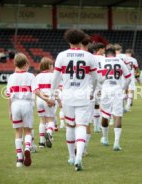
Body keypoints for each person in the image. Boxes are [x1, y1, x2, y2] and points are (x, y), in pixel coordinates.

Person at [51, 29, 98, 171]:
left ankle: (71, 156)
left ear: (68, 40)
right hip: (83, 95)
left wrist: (54, 93)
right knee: (81, 126)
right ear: (81, 39)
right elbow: (96, 78)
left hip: (67, 96)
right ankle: (79, 157)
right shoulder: (89, 56)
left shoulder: (61, 55)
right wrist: (92, 91)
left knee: (70, 126)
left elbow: (55, 78)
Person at [6, 53, 55, 167]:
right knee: (28, 130)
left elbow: (9, 96)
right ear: (26, 64)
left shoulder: (11, 77)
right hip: (27, 104)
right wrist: (47, 99)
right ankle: (28, 147)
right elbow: (37, 91)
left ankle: (19, 160)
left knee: (18, 132)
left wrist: (9, 111)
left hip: (15, 105)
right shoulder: (30, 76)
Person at [98, 48, 131, 151]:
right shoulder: (119, 61)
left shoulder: (102, 61)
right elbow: (128, 77)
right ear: (114, 55)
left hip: (106, 89)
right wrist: (123, 88)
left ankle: (105, 138)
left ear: (106, 55)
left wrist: (100, 87)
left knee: (105, 114)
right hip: (117, 89)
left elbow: (97, 78)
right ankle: (116, 143)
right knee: (118, 116)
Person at [35, 57, 60, 148]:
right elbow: (56, 90)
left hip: (39, 100)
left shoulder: (37, 76)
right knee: (50, 120)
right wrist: (55, 100)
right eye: (52, 65)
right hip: (49, 99)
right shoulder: (53, 76)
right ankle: (49, 133)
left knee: (42, 120)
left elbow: (36, 90)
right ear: (49, 66)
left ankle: (41, 143)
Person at [92, 42, 106, 132]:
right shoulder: (104, 58)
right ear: (100, 49)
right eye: (103, 49)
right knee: (102, 105)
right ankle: (99, 126)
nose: (104, 50)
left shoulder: (91, 58)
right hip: (102, 84)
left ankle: (95, 126)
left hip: (92, 84)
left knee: (95, 106)